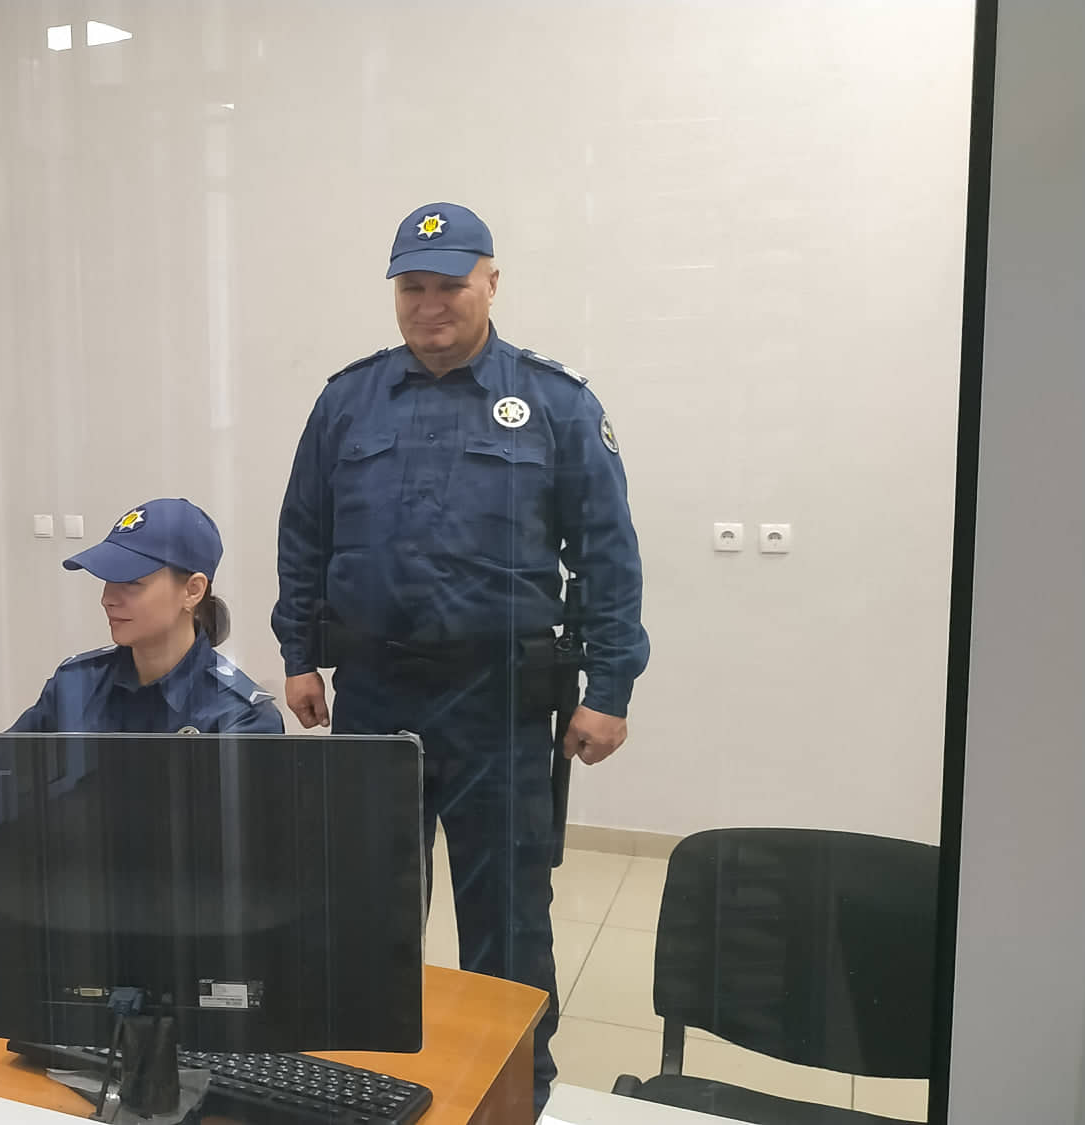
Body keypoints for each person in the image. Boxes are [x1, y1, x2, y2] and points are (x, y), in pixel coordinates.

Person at [271, 202, 648, 1108]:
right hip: (374, 693)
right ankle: (365, 1082)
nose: (430, 304)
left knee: (507, 918)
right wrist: (299, 652)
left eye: (450, 285)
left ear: (491, 283)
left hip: (501, 701)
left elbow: (607, 553)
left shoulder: (555, 404)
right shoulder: (347, 401)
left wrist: (610, 685)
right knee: (368, 903)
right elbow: (305, 535)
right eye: (413, 287)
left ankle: (516, 1092)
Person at [13, 498, 282, 735]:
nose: (108, 599)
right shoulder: (74, 687)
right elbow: (1, 768)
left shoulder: (240, 715)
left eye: (131, 582)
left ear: (193, 591)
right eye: (108, 579)